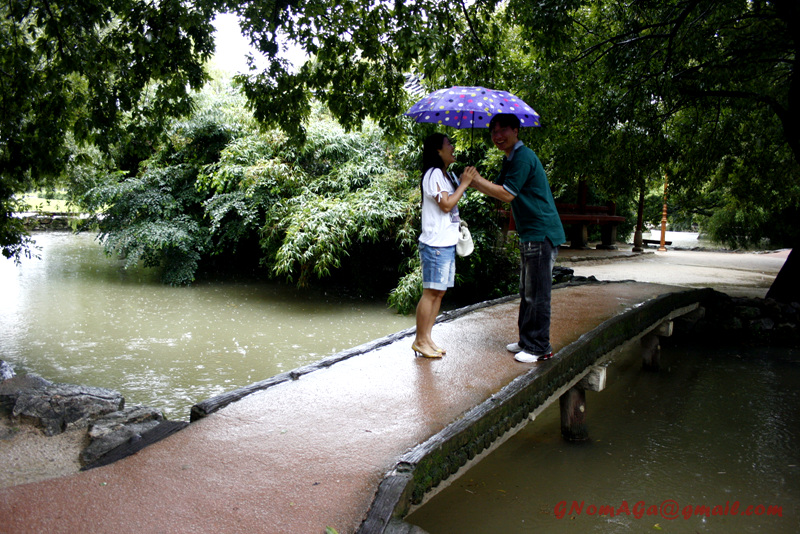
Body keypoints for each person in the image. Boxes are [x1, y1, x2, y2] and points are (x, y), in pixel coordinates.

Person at [467, 114, 566, 363]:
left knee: (538, 293)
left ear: (516, 130)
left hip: (540, 232)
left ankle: (540, 347)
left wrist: (476, 180)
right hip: (531, 232)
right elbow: (496, 190)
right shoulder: (511, 159)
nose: (497, 136)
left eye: (502, 130)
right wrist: (473, 181)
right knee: (527, 289)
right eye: (493, 132)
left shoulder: (522, 157)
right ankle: (526, 341)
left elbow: (507, 194)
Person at [412, 133, 473, 358]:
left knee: (439, 293)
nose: (453, 147)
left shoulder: (446, 175)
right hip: (435, 243)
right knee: (430, 292)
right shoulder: (434, 173)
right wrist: (464, 183)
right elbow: (446, 204)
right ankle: (419, 340)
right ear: (438, 150)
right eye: (449, 144)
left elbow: (454, 197)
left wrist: (465, 179)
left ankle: (427, 338)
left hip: (447, 243)